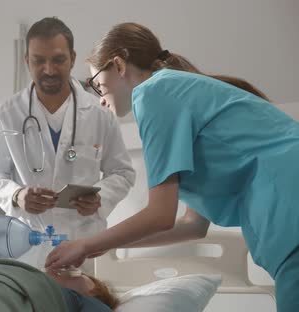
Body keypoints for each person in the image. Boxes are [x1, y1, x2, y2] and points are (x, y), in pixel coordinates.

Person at [45, 22, 299, 311]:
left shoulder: (154, 92)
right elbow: (192, 226)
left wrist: (85, 244)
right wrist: (105, 244)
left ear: (118, 65)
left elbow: (160, 214)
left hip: (290, 210)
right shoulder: (179, 94)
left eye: (98, 85)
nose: (101, 100)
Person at [0, 17, 135, 269]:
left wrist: (100, 198)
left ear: (72, 58)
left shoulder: (99, 114)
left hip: (84, 243)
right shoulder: (6, 114)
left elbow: (123, 173)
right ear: (26, 61)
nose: (49, 70)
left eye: (58, 59)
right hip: (27, 244)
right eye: (39, 60)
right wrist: (17, 195)